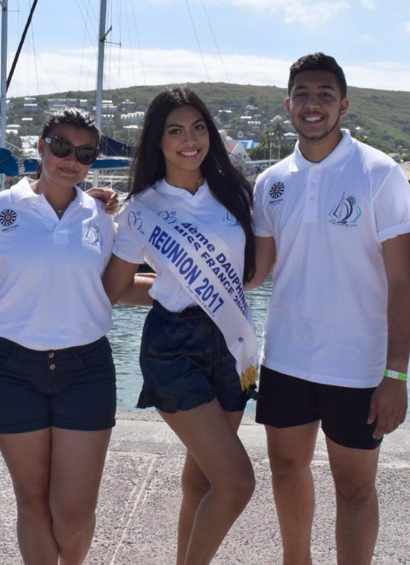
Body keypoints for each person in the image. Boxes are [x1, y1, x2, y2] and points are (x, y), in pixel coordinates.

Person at [247, 53, 410, 565]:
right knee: (285, 472)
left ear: (343, 104)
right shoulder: (270, 181)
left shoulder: (378, 173)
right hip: (286, 361)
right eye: (302, 93)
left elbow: (401, 281)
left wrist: (397, 374)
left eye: (324, 94)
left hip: (358, 368)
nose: (312, 103)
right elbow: (255, 274)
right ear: (288, 104)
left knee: (355, 490)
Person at [103, 87, 258, 565]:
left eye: (197, 128)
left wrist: (179, 282)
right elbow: (114, 288)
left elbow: (248, 272)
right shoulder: (140, 211)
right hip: (174, 348)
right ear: (158, 140)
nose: (188, 140)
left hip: (230, 342)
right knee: (236, 482)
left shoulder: (234, 193)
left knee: (204, 481)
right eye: (175, 130)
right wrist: (172, 289)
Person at [0, 109, 120, 564]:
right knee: (32, 501)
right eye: (60, 146)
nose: (70, 159)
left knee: (74, 514)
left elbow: (114, 285)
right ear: (40, 146)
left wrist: (183, 295)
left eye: (84, 153)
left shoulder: (101, 214)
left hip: (86, 369)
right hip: (11, 369)